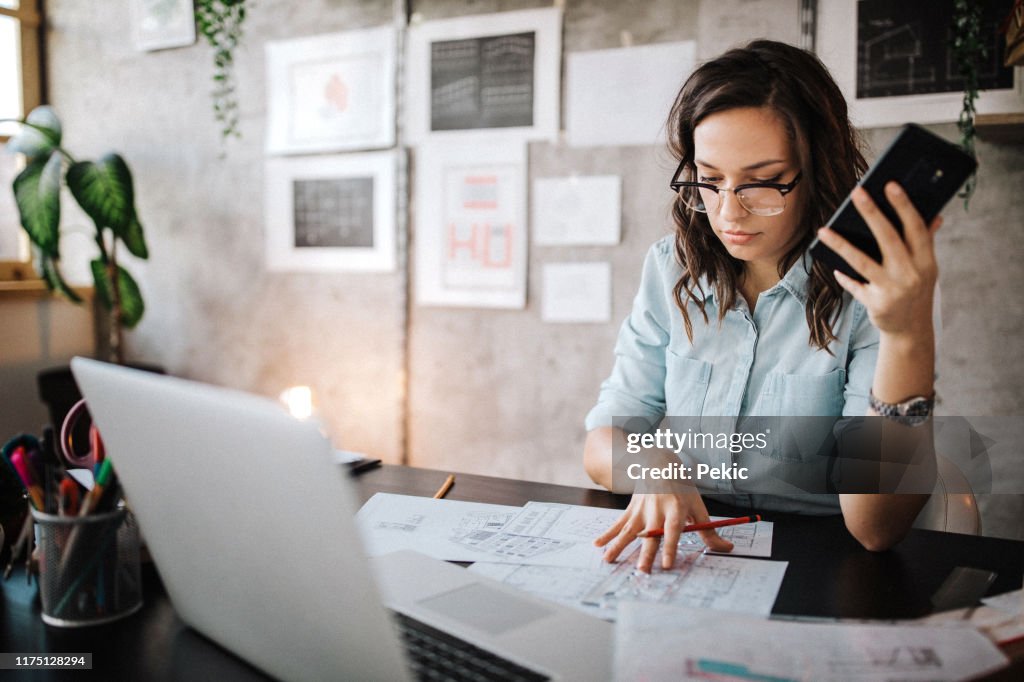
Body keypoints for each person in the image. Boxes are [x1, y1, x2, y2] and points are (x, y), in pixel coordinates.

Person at [583, 40, 940, 573]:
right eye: (710, 179)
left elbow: (875, 528)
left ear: (817, 170)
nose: (728, 212)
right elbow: (603, 440)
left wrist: (907, 335)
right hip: (690, 552)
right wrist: (652, 465)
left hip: (820, 561)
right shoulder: (671, 268)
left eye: (764, 183)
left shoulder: (872, 291)